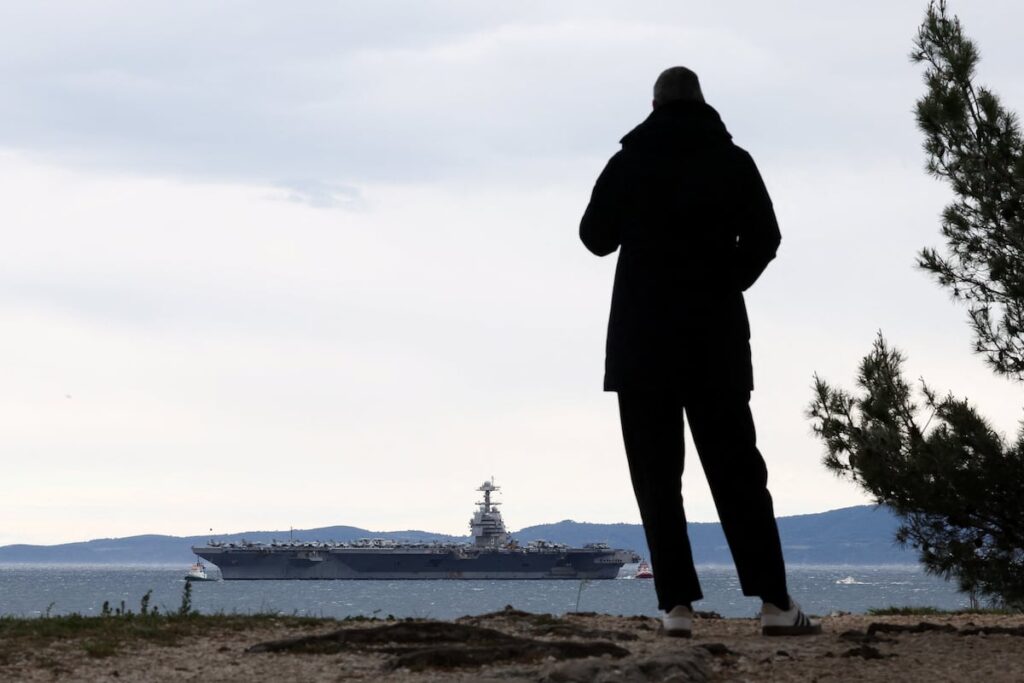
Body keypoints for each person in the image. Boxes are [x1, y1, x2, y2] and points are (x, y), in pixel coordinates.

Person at [579, 66, 819, 637]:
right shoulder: (734, 162)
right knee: (739, 475)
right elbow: (767, 237)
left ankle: (676, 610)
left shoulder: (627, 162)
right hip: (715, 343)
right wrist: (727, 280)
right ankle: (775, 605)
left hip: (641, 346)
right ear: (704, 102)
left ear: (654, 103)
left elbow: (594, 237)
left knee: (658, 480)